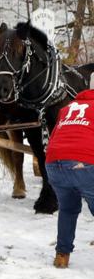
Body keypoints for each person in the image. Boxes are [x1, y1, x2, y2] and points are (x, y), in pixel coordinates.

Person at [44, 88, 94, 268]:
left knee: (68, 209)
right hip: (83, 163)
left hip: (53, 164)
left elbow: (56, 135)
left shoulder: (67, 108)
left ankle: (62, 255)